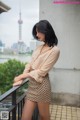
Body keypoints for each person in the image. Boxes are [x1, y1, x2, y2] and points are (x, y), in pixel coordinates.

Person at [13, 20, 60, 120]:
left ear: (46, 31)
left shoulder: (55, 50)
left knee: (44, 116)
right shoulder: (38, 47)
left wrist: (21, 76)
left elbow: (42, 71)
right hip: (32, 86)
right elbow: (30, 64)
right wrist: (22, 77)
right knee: (25, 117)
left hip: (42, 86)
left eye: (39, 32)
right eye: (36, 32)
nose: (37, 34)